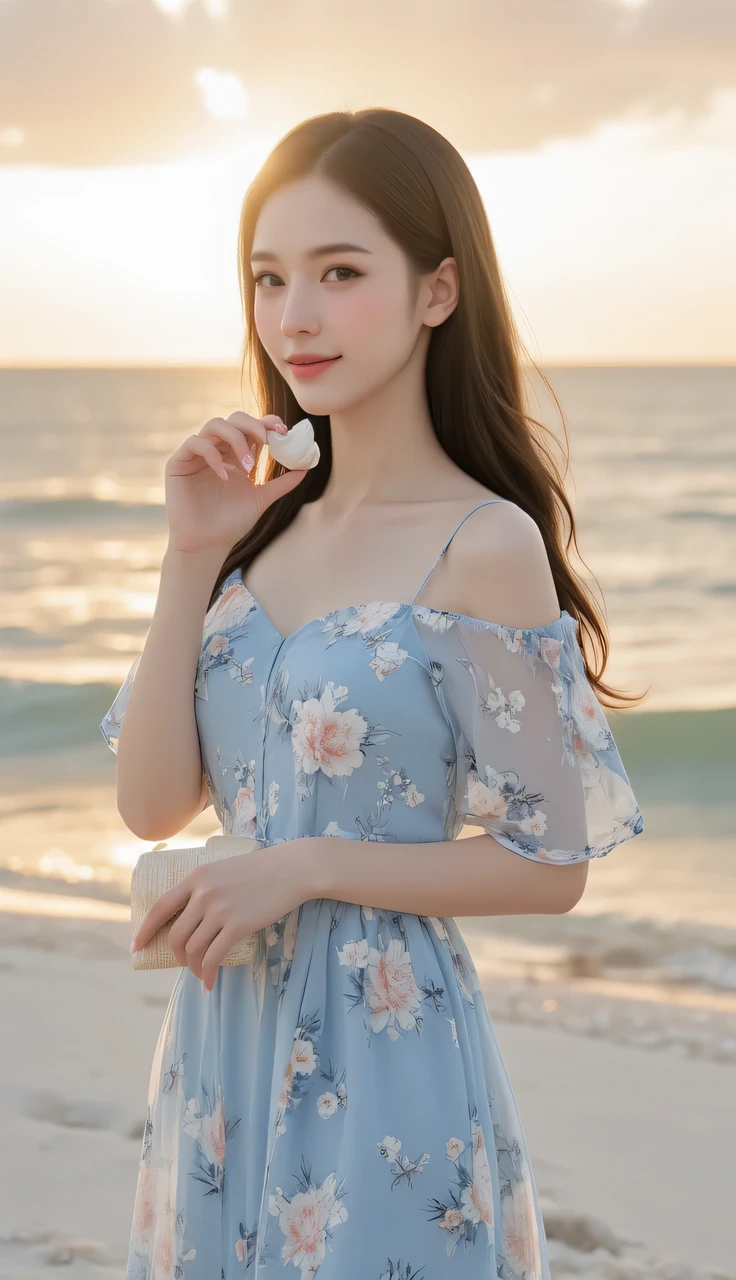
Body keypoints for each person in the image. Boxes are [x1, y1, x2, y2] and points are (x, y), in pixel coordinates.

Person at [100, 108, 645, 1280]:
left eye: (340, 272)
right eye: (269, 277)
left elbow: (553, 867)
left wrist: (304, 865)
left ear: (436, 290)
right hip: (220, 1039)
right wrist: (191, 554)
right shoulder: (250, 534)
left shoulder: (483, 542)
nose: (294, 315)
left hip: (388, 1042)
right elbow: (150, 805)